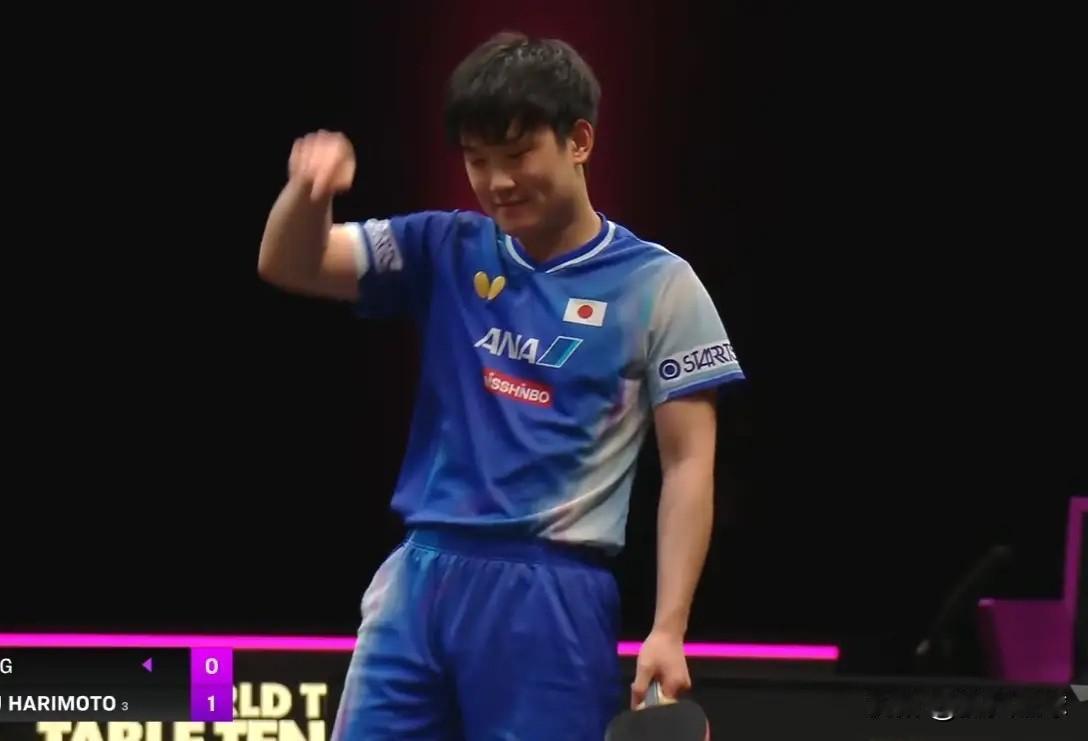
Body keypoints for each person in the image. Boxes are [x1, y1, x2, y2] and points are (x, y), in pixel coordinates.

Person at [257, 31, 745, 741]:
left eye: (517, 156)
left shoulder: (660, 285)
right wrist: (308, 195)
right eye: (477, 159)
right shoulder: (443, 246)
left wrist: (668, 628)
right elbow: (290, 263)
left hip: (551, 592)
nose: (496, 182)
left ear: (579, 141)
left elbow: (689, 464)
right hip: (420, 578)